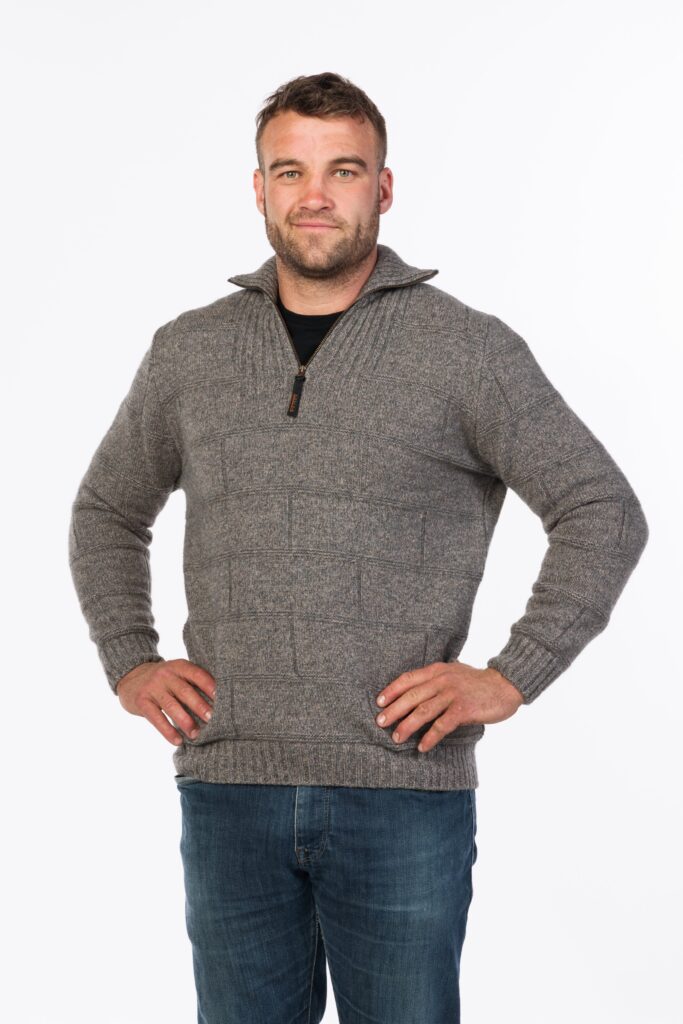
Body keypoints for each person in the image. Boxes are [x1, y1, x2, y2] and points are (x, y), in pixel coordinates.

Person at [68, 71, 649, 1024]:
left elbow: (601, 509)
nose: (314, 196)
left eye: (343, 171)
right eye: (289, 171)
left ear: (382, 187)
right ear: (257, 188)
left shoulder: (466, 350)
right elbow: (106, 510)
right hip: (229, 785)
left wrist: (511, 676)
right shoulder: (190, 350)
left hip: (401, 790)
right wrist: (130, 659)